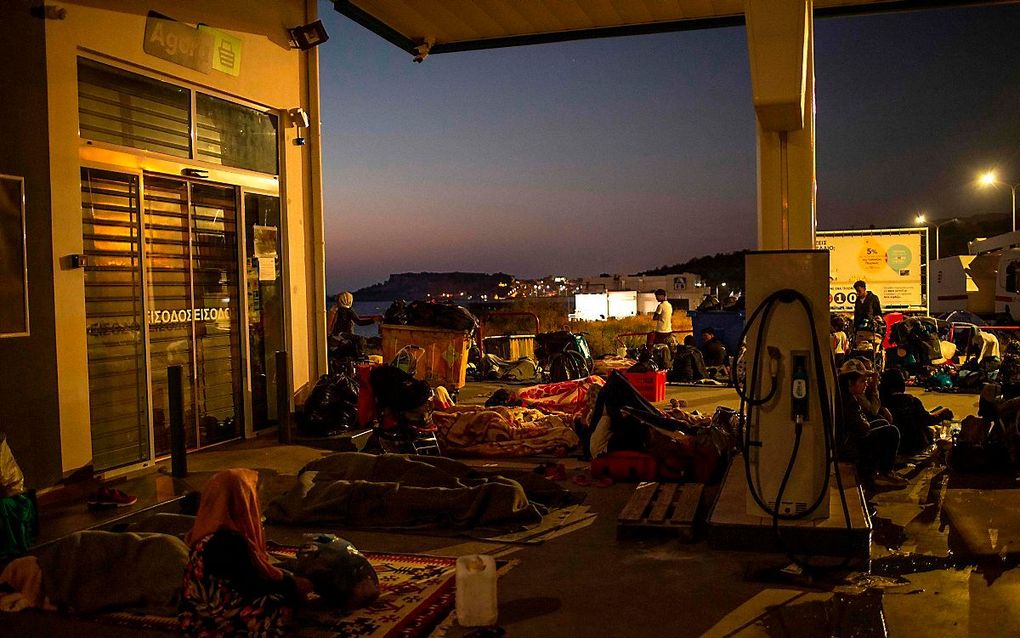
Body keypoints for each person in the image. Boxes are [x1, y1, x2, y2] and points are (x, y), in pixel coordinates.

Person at [180, 469, 313, 637]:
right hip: (218, 622)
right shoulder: (229, 540)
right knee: (285, 602)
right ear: (240, 501)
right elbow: (252, 584)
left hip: (195, 616)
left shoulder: (203, 533)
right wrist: (294, 584)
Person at [838, 366, 906, 489]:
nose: (865, 385)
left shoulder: (850, 396)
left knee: (882, 423)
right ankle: (881, 473)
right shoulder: (848, 400)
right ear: (850, 383)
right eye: (862, 381)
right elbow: (861, 426)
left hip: (851, 437)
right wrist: (866, 424)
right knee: (892, 431)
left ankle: (881, 470)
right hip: (847, 445)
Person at [879, 368, 952, 454]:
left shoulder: (880, 402)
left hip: (893, 447)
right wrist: (943, 414)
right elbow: (927, 419)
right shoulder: (910, 401)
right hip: (914, 445)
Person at [328, 291, 378, 361]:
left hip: (335, 335)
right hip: (343, 334)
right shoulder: (348, 311)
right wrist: (373, 320)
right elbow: (359, 322)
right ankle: (361, 357)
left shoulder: (335, 310)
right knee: (361, 339)